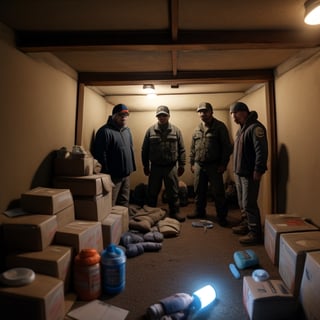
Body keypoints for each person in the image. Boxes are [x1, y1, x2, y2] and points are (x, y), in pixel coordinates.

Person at [188, 102, 233, 226]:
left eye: (205, 111)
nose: (203, 114)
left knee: (218, 192)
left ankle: (222, 216)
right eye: (200, 112)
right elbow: (192, 147)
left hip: (214, 165)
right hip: (199, 165)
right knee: (198, 190)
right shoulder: (197, 128)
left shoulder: (220, 127)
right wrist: (191, 162)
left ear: (211, 112)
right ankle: (199, 211)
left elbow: (226, 147)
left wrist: (223, 164)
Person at [230, 101, 268, 245]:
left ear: (244, 112)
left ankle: (255, 234)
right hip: (239, 173)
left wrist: (258, 170)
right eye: (232, 115)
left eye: (235, 114)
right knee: (242, 203)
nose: (234, 118)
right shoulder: (240, 130)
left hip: (250, 174)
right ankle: (246, 225)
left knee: (249, 203)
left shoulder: (256, 128)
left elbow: (261, 151)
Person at [142, 105, 186, 222]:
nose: (162, 117)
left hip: (170, 167)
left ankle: (175, 212)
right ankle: (151, 213)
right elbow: (144, 150)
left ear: (168, 116)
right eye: (159, 115)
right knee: (152, 192)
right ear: (157, 117)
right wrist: (145, 165)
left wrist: (182, 165)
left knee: (173, 192)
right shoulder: (150, 130)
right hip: (155, 167)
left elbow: (181, 149)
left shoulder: (176, 130)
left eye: (164, 115)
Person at [93, 103, 136, 212]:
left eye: (126, 115)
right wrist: (106, 175)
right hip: (113, 177)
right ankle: (110, 228)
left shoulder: (127, 131)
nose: (124, 117)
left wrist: (131, 168)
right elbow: (100, 155)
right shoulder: (105, 131)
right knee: (110, 205)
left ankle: (123, 225)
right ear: (114, 116)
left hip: (126, 175)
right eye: (121, 115)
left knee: (124, 203)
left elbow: (130, 149)